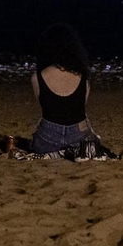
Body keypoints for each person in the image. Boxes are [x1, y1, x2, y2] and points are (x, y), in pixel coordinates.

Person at [29, 22, 99, 154]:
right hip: (77, 136)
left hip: (48, 136)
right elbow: (80, 109)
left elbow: (46, 107)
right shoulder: (82, 77)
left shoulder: (37, 77)